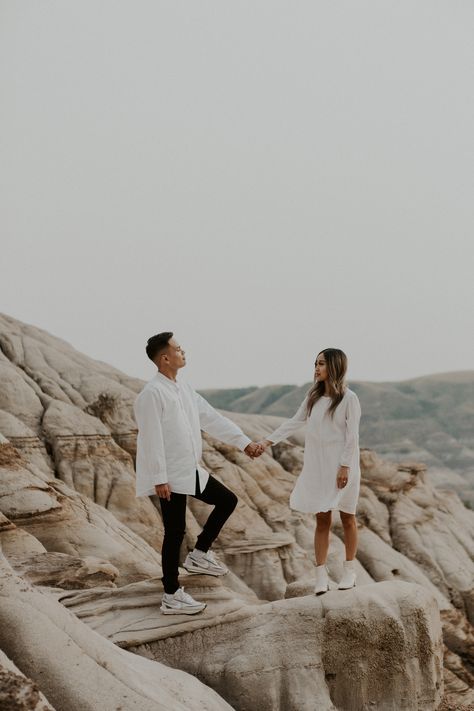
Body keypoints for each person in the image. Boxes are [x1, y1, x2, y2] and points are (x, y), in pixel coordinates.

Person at [134, 332, 263, 615]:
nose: (184, 352)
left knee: (227, 500)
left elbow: (213, 419)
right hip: (168, 475)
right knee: (175, 532)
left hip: (188, 470)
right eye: (179, 349)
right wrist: (159, 477)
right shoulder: (152, 394)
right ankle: (171, 595)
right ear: (165, 357)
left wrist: (244, 443)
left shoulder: (184, 390)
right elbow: (150, 438)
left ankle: (199, 554)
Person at [258, 348, 361, 595]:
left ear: (335, 366)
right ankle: (321, 575)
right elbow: (294, 421)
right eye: (315, 363)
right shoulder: (313, 396)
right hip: (318, 465)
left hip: (342, 465)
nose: (316, 368)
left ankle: (349, 570)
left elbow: (352, 436)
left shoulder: (349, 398)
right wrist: (267, 441)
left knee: (347, 516)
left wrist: (345, 466)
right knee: (322, 518)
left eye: (322, 364)